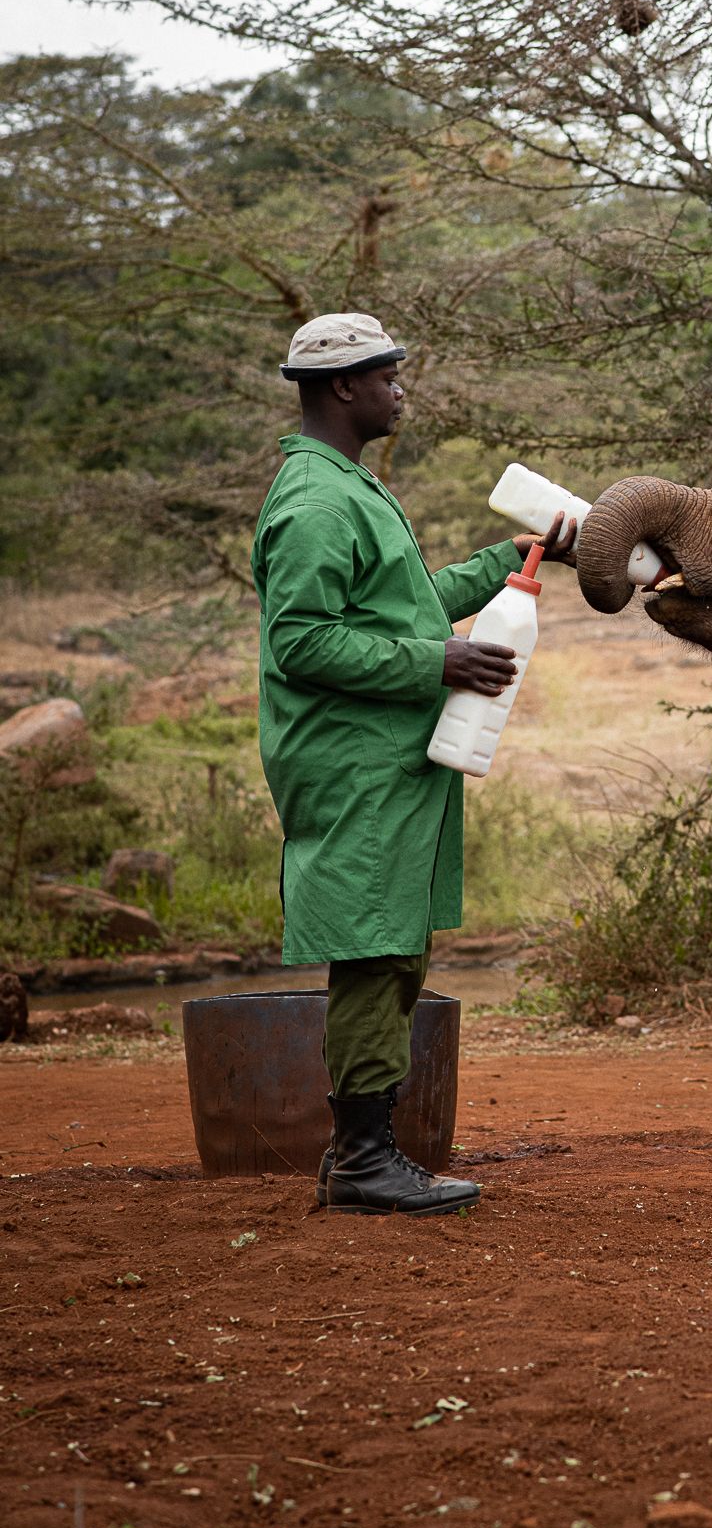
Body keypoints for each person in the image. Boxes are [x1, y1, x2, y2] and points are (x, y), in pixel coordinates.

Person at [252, 313, 576, 1215]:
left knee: (392, 950)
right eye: (390, 377)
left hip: (386, 762)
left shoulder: (350, 486)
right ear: (344, 387)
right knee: (373, 948)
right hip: (354, 765)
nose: (402, 391)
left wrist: (500, 566)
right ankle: (362, 1162)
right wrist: (438, 663)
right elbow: (304, 644)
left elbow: (401, 610)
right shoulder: (317, 502)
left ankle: (364, 1151)